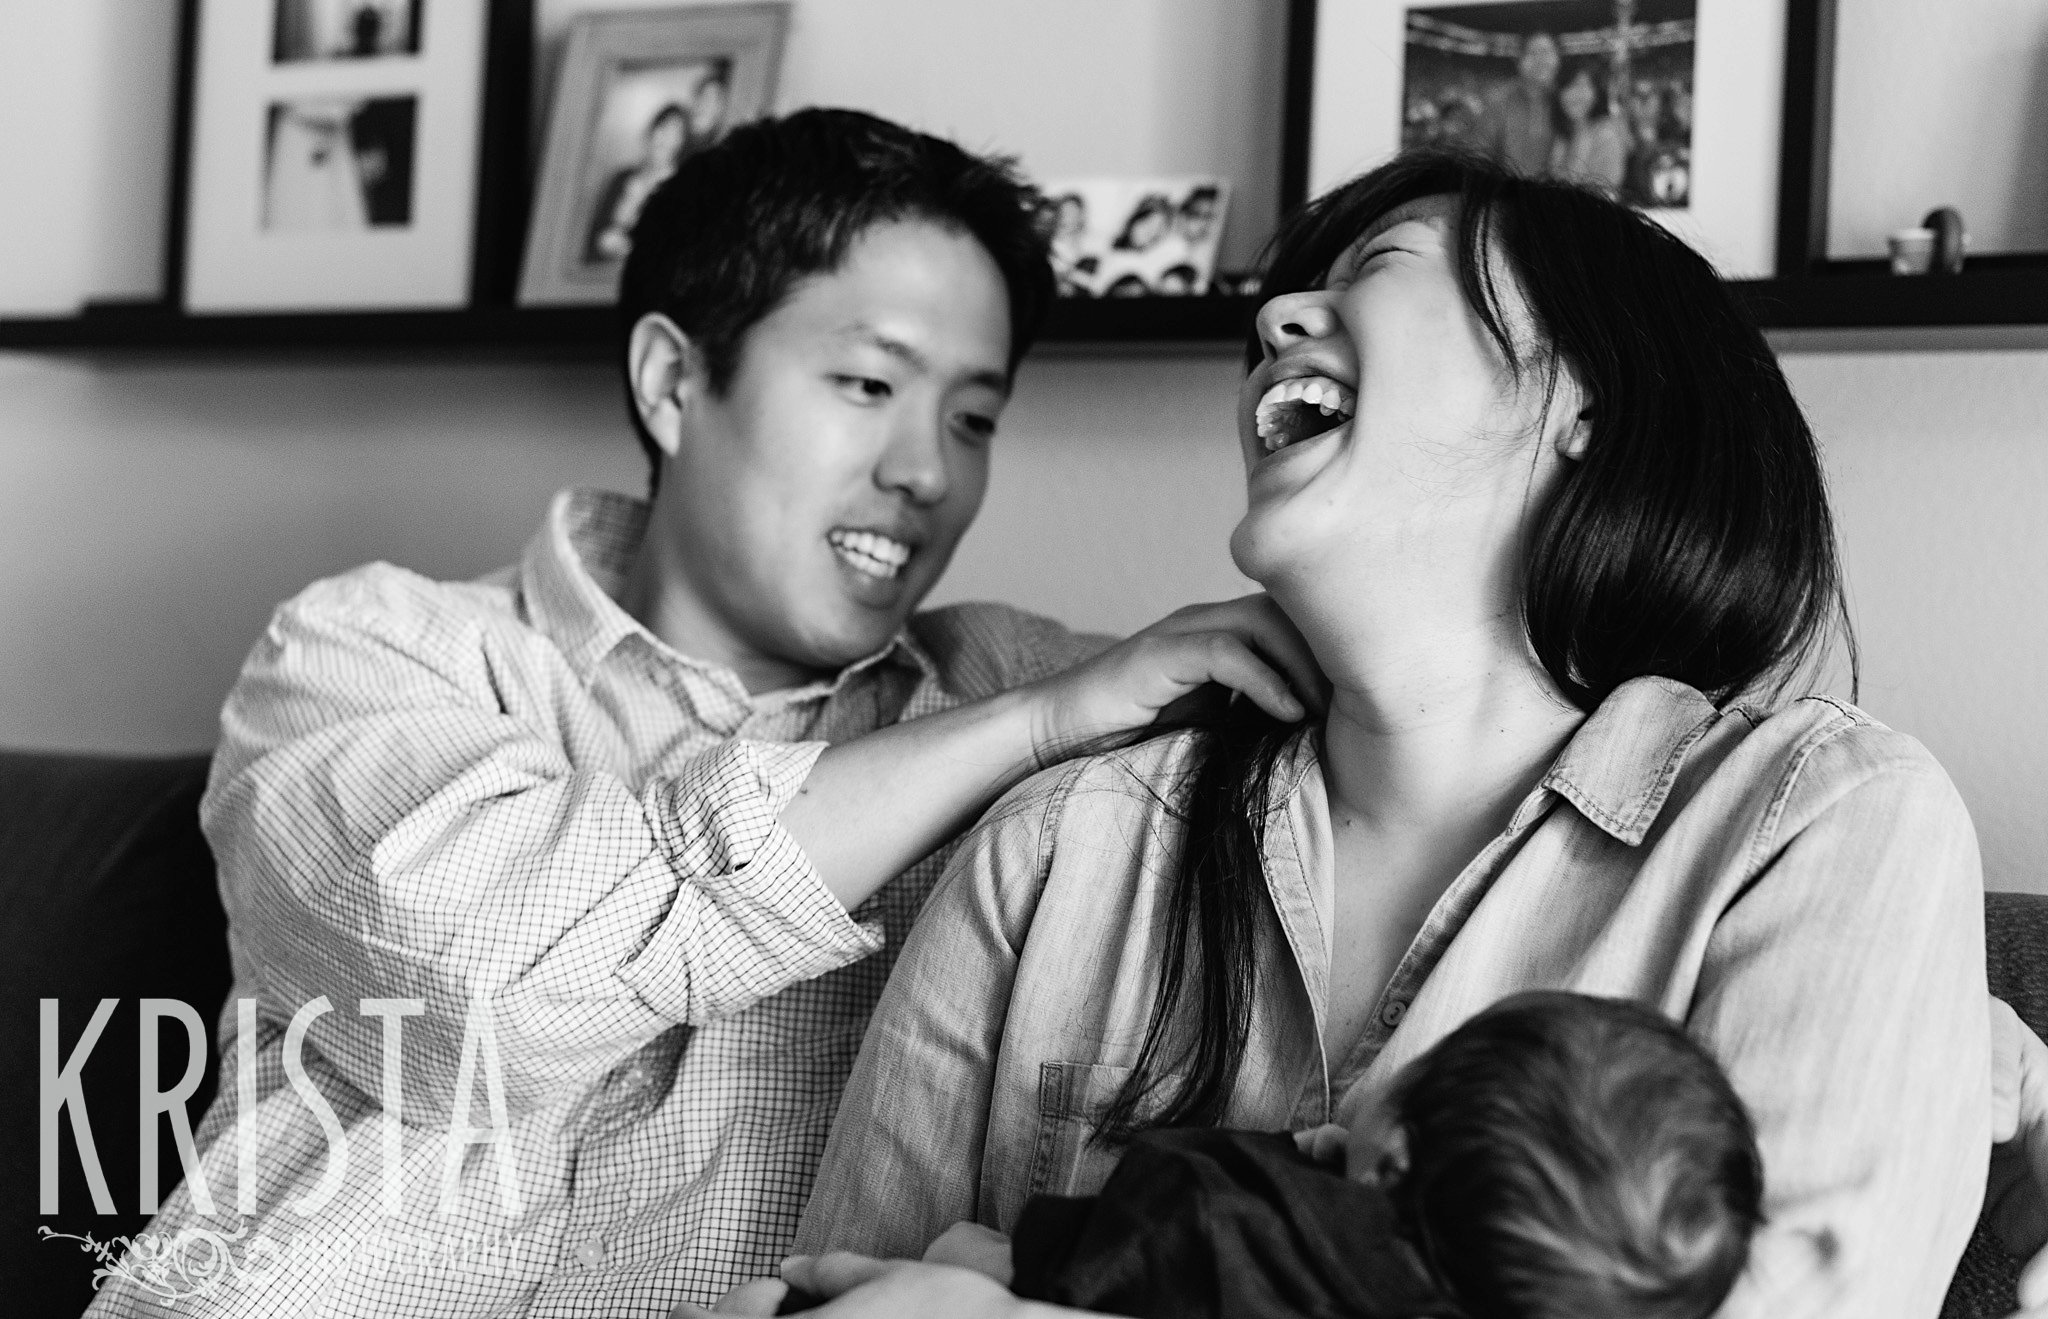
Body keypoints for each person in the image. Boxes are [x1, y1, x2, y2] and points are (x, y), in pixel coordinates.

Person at [84, 108, 1322, 1319]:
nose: (926, 471)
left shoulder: (1019, 679)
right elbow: (489, 992)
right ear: (674, 380)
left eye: (973, 417)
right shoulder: (375, 646)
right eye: (866, 380)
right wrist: (1025, 732)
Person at [792, 150, 1994, 1317]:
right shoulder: (1054, 854)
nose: (1275, 316)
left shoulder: (1820, 823)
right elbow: (828, 1295)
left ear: (1579, 398)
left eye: (1378, 263)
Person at [780, 991, 1762, 1319]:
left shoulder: (1231, 1211)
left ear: (1390, 1161)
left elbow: (1120, 1232)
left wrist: (980, 1271)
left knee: (929, 1255)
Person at [587, 102, 694, 262]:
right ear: (652, 131)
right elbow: (594, 231)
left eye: (676, 133)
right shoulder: (621, 177)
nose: (665, 138)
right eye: (663, 127)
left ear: (682, 143)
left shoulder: (681, 191)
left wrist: (627, 250)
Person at [1478, 32, 1560, 176]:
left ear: (1558, 60)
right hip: (1507, 192)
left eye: (1546, 52)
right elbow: (1479, 155)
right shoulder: (1498, 101)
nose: (1540, 60)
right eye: (1532, 53)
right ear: (1519, 61)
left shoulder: (1566, 102)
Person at [1550, 62, 1627, 194]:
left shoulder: (1606, 134)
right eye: (1570, 86)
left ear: (1596, 93)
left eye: (1583, 86)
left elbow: (1608, 190)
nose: (1576, 94)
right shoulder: (1563, 133)